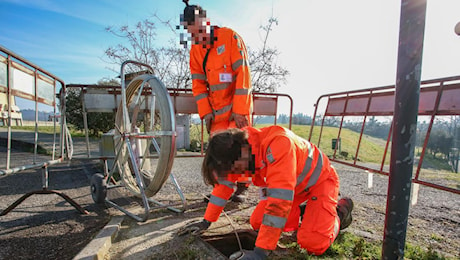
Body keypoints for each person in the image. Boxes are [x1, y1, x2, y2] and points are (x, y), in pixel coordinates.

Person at [178, 126, 354, 259]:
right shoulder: (239, 149)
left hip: (320, 183)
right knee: (257, 222)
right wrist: (206, 221)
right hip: (292, 189)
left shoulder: (279, 145)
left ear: (239, 158)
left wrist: (260, 252)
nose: (235, 177)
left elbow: (278, 203)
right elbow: (223, 186)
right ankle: (305, 211)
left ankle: (339, 213)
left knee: (312, 242)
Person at [180, 1, 253, 202]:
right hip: (216, 112)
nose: (199, 37)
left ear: (207, 22)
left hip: (237, 109)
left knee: (240, 149)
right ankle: (221, 190)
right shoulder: (195, 51)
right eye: (193, 34)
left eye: (200, 31)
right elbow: (198, 85)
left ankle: (242, 188)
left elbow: (243, 74)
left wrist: (240, 110)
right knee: (218, 152)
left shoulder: (230, 37)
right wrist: (205, 113)